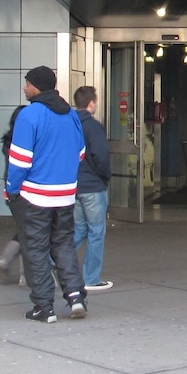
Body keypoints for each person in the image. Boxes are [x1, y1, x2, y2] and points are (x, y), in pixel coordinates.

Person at [5, 66, 87, 323]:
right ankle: (75, 296)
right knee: (63, 244)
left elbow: (19, 161)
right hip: (65, 195)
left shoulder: (29, 115)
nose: (24, 88)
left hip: (35, 196)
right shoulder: (71, 115)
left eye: (27, 83)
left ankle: (44, 307)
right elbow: (81, 152)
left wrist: (11, 190)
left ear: (36, 86)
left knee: (35, 249)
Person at [73, 85, 113, 291]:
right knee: (96, 231)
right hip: (93, 186)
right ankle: (91, 277)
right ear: (91, 103)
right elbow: (101, 157)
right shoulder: (94, 127)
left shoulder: (68, 124)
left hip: (74, 186)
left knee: (78, 229)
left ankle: (54, 264)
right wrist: (105, 178)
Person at [0, 103, 26, 284]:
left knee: (25, 228)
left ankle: (7, 260)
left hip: (11, 191)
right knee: (30, 231)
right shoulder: (25, 141)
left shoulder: (8, 141)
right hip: (25, 191)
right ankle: (11, 263)